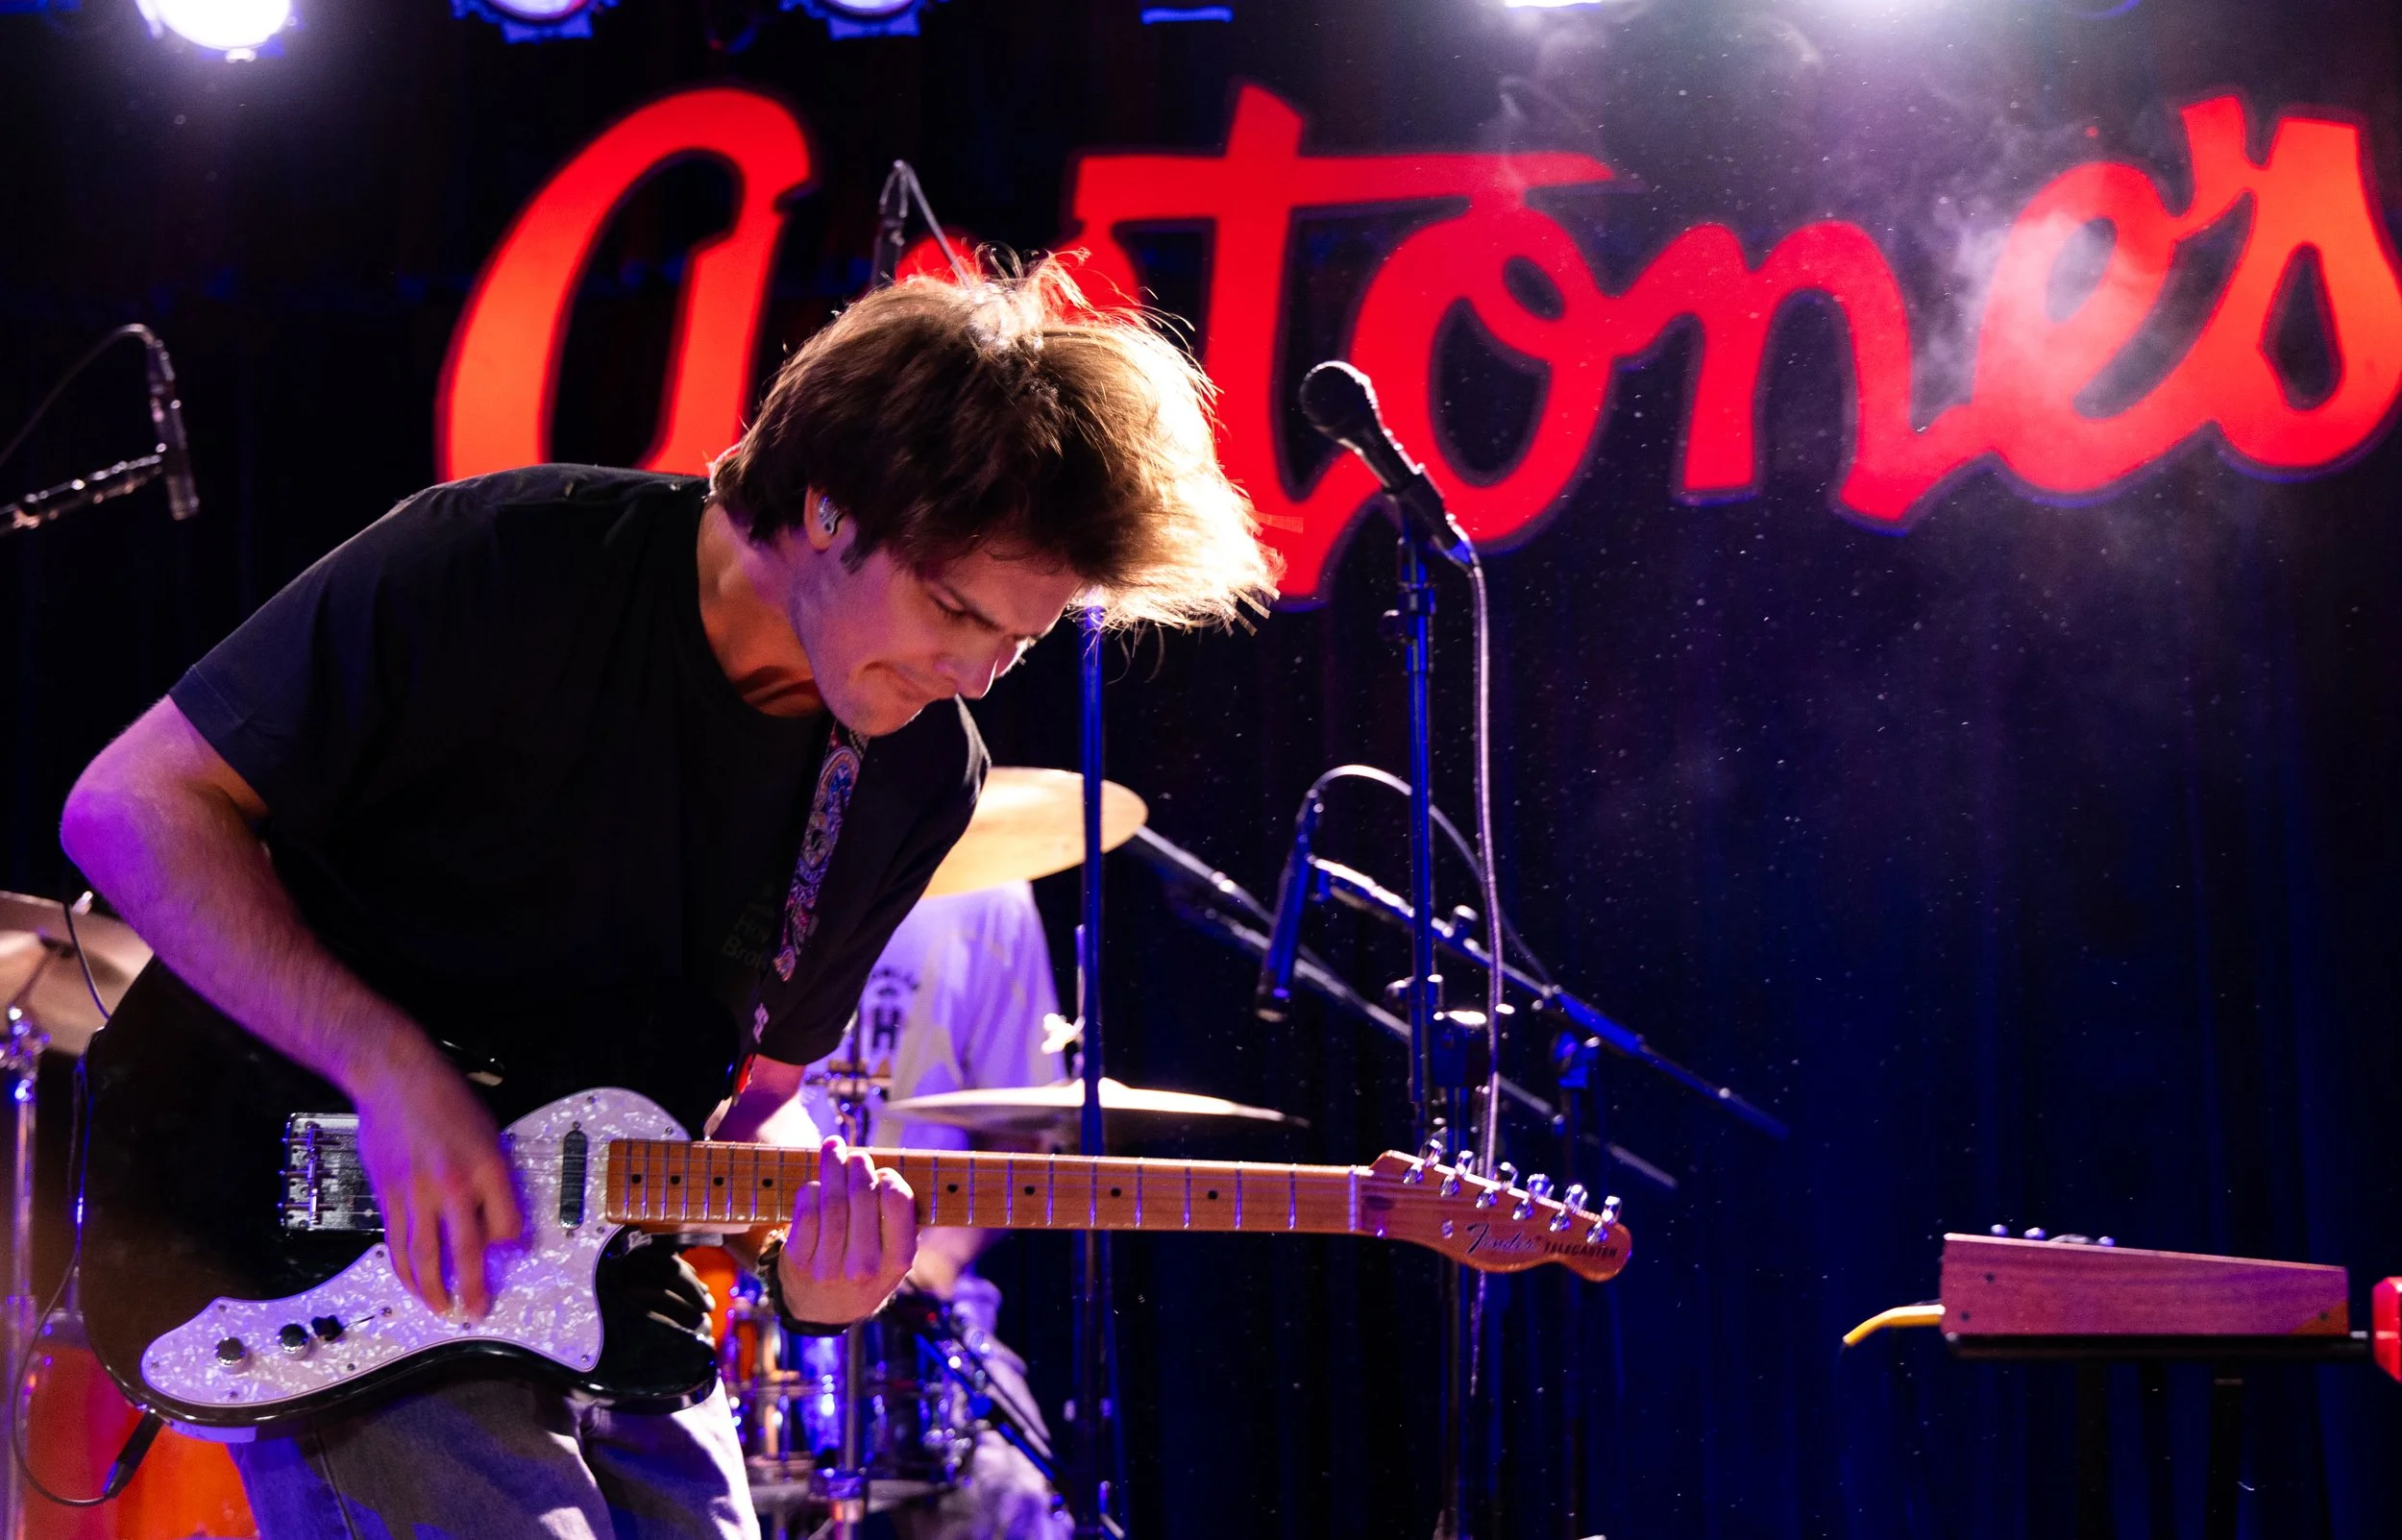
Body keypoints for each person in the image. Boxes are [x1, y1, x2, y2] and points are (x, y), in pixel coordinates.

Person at [58, 257, 1278, 1540]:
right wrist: (385, 1064)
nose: (971, 670)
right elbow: (131, 806)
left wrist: (822, 1255)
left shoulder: (915, 771)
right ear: (826, 507)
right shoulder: (506, 562)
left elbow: (751, 1109)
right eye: (951, 606)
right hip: (305, 1236)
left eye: (1016, 643)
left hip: (599, 1297)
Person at [719, 880, 1070, 1540]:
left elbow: (1019, 1137)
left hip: (926, 1307)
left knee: (1012, 1500)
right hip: (736, 1293)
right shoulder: (758, 855)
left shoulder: (995, 896)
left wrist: (924, 1268)